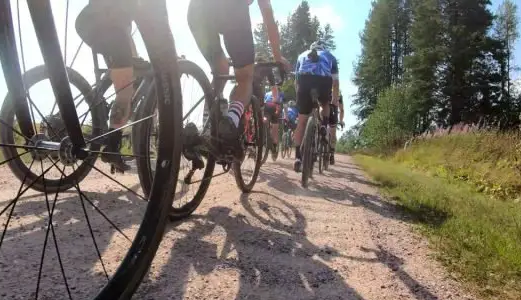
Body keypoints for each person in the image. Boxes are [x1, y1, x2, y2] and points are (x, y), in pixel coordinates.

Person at [76, 0, 288, 171]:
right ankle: (230, 122)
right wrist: (278, 57)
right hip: (232, 8)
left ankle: (208, 121)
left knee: (220, 67)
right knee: (244, 77)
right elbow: (267, 15)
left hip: (197, 10)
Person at [292, 41, 340, 173]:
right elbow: (335, 83)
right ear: (323, 49)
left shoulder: (302, 54)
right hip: (323, 81)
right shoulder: (330, 56)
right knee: (325, 104)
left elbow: (296, 80)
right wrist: (335, 101)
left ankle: (297, 157)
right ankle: (324, 125)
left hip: (304, 80)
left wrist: (299, 97)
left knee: (301, 121)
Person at [263, 87, 284, 159]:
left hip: (266, 106)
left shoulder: (267, 93)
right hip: (275, 107)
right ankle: (274, 148)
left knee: (265, 120)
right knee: (275, 128)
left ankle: (263, 134)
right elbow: (284, 105)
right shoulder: (281, 93)